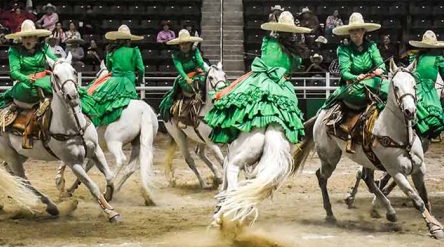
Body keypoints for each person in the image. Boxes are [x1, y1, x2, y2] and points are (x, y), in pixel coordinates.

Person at [204, 10, 309, 145]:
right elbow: (293, 68)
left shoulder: (268, 41)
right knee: (291, 109)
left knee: (241, 102)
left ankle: (233, 135)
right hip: (282, 83)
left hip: (261, 79)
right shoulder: (296, 52)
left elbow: (266, 58)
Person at [319, 13, 386, 152]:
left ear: (364, 31)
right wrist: (357, 77)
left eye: (358, 30)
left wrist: (378, 70)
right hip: (354, 85)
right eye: (352, 31)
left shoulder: (372, 46)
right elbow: (345, 72)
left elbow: (381, 65)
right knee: (353, 93)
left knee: (393, 89)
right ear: (348, 33)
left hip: (373, 81)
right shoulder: (343, 49)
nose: (355, 33)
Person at [0, 19, 56, 114]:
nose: (27, 40)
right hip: (26, 83)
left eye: (30, 37)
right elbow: (14, 72)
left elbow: (56, 61)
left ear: (36, 38)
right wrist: (27, 79)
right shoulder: (14, 50)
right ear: (21, 39)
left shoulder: (44, 47)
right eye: (24, 37)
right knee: (27, 88)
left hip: (45, 79)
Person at [86, 25, 144, 126]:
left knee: (102, 100)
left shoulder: (111, 52)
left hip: (114, 81)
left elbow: (108, 69)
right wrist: (139, 79)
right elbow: (141, 69)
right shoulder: (135, 51)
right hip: (129, 82)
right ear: (129, 39)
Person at [407, 31, 444, 139]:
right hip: (429, 91)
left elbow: (410, 70)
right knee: (435, 118)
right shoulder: (438, 58)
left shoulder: (415, 56)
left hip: (415, 87)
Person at [158, 29, 207, 124]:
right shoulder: (176, 55)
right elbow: (180, 69)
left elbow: (200, 62)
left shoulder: (195, 51)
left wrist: (206, 71)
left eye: (186, 43)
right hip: (185, 78)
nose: (184, 46)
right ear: (179, 45)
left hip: (197, 74)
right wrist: (186, 78)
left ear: (190, 43)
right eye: (182, 44)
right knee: (191, 85)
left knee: (206, 82)